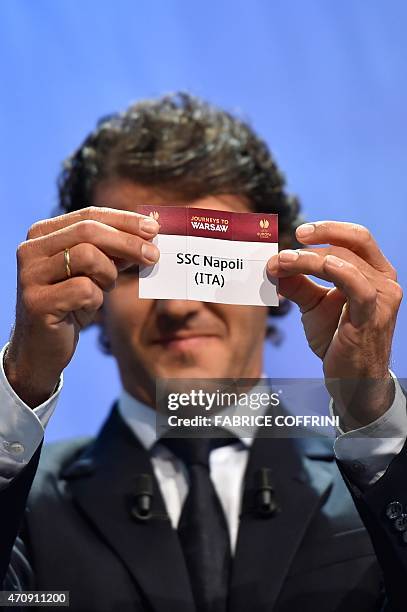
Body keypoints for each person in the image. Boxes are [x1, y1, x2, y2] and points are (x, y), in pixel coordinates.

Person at [0, 93, 405, 611]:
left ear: (280, 270)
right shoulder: (25, 503)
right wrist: (22, 379)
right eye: (137, 268)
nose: (178, 303)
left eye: (210, 260)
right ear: (86, 288)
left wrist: (367, 405)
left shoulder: (371, 486)